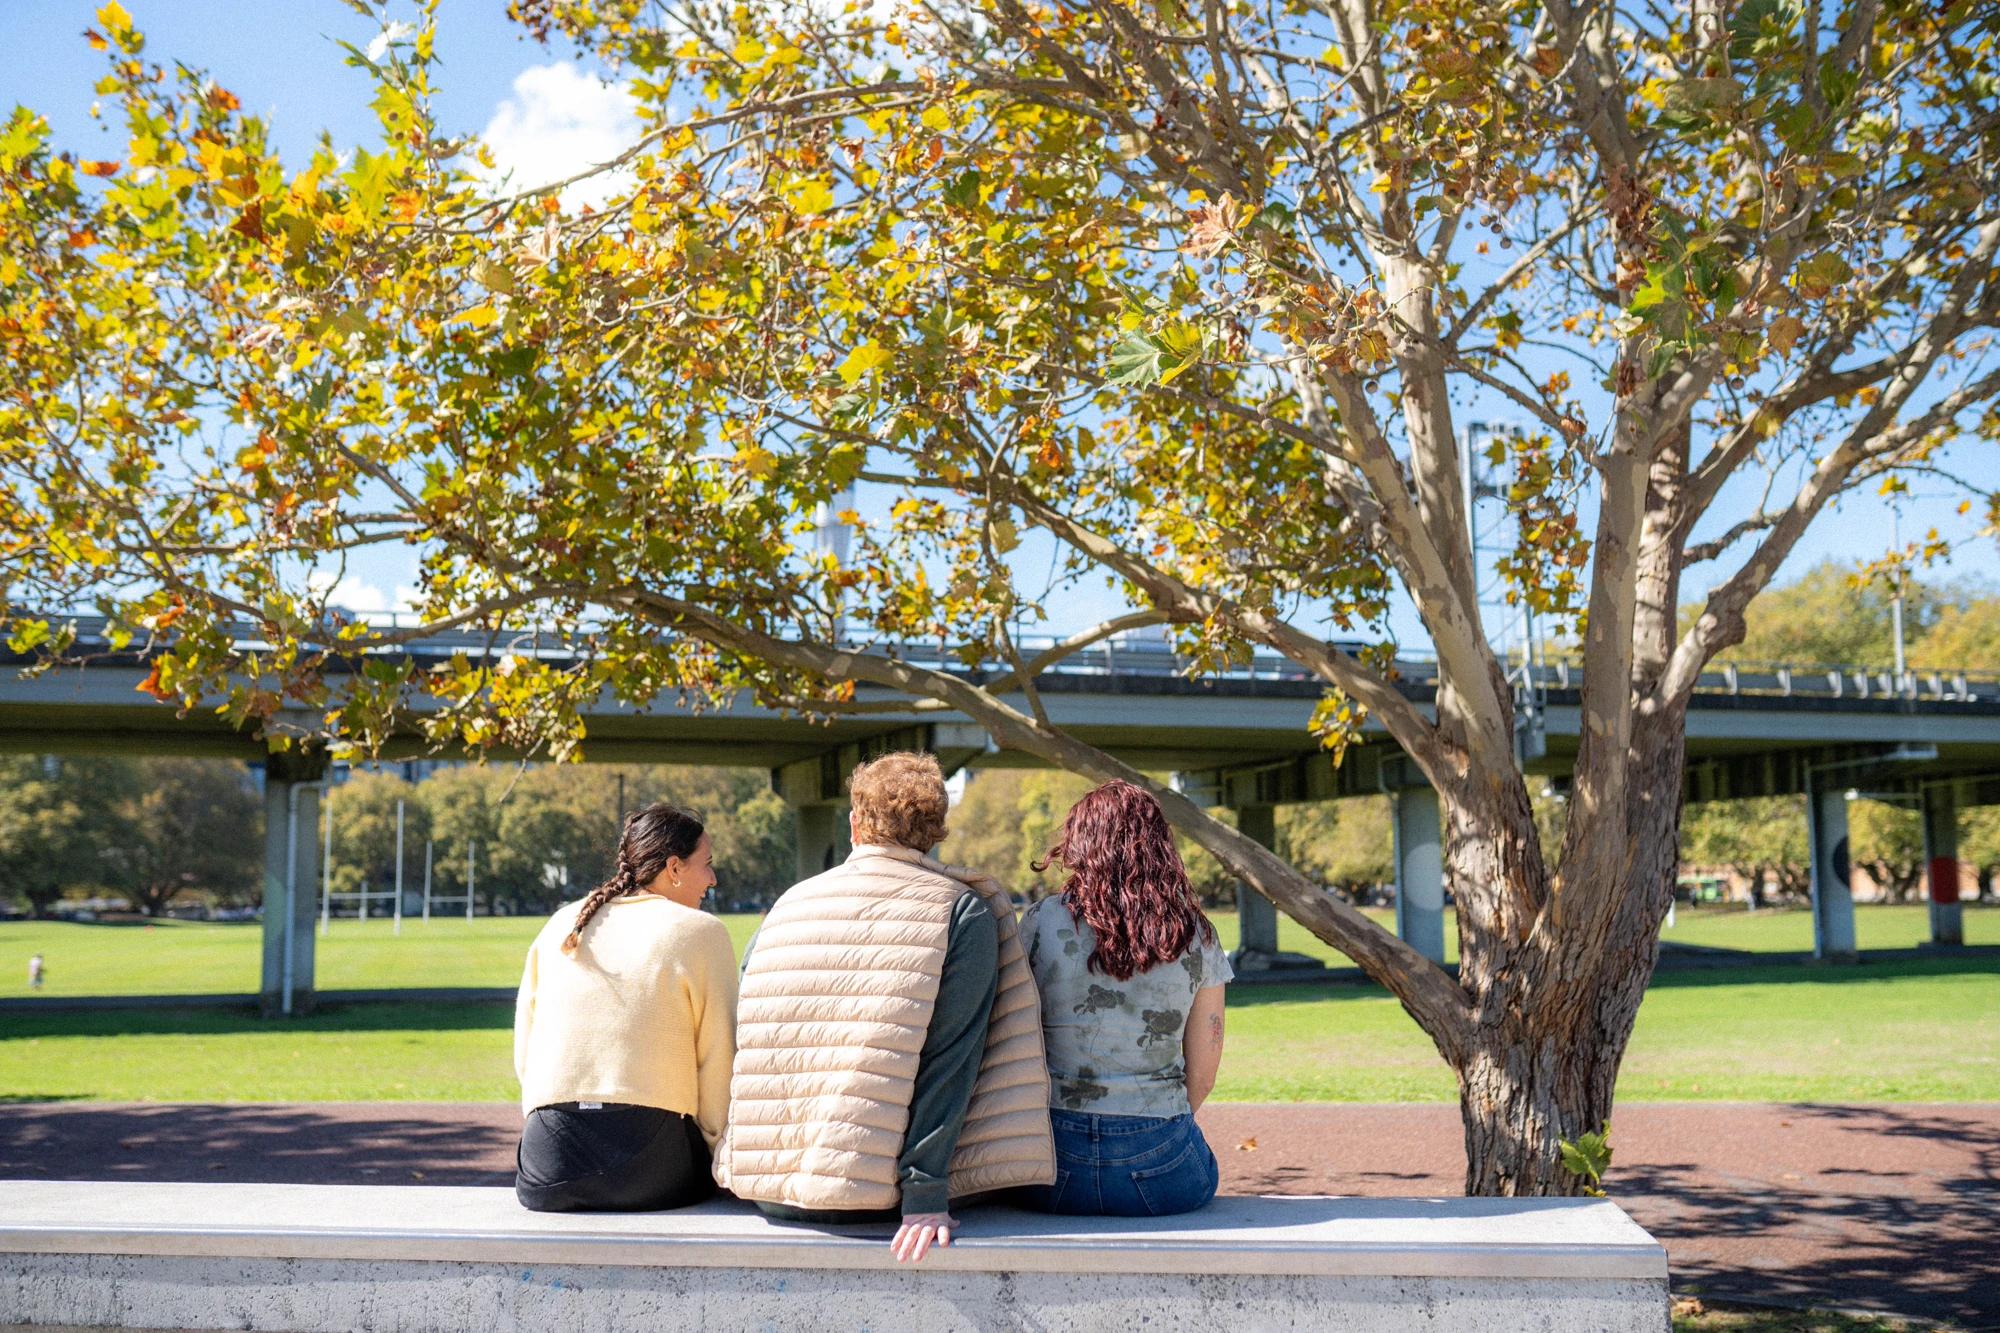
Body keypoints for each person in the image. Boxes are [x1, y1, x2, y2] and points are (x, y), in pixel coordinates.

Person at [713, 751, 1056, 1263]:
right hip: (879, 1200)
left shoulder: (788, 906)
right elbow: (950, 1063)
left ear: (854, 822)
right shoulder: (960, 911)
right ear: (936, 829)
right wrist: (924, 1195)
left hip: (768, 1189)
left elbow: (755, 1036)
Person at [1017, 779, 1229, 1217]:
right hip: (1161, 1164)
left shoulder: (1040, 922)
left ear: (1081, 843)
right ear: (1159, 847)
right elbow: (1204, 1074)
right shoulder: (1197, 935)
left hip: (1050, 1165)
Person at [512, 802, 737, 1212]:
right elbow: (719, 1062)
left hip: (548, 1162)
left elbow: (526, 1054)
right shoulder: (701, 932)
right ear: (673, 868)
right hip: (648, 1166)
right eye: (706, 864)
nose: (712, 879)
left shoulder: (561, 924)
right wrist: (719, 1153)